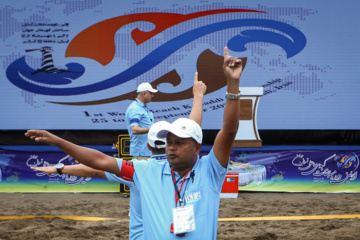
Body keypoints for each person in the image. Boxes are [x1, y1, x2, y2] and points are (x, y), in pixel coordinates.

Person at [25, 46, 242, 239]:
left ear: (197, 147)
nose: (171, 147)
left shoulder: (209, 169)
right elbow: (99, 163)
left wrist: (232, 84)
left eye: (178, 142)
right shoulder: (145, 169)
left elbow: (227, 132)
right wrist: (59, 143)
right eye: (168, 142)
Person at [28, 74, 206, 240]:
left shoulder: (138, 169)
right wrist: (198, 96)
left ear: (149, 144)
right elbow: (193, 130)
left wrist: (59, 161)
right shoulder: (187, 166)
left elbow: (97, 167)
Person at [125, 82, 158, 159]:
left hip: (146, 151)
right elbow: (134, 130)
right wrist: (153, 129)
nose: (152, 95)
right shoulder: (135, 109)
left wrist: (155, 126)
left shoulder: (142, 108)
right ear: (144, 94)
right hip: (141, 153)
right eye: (151, 93)